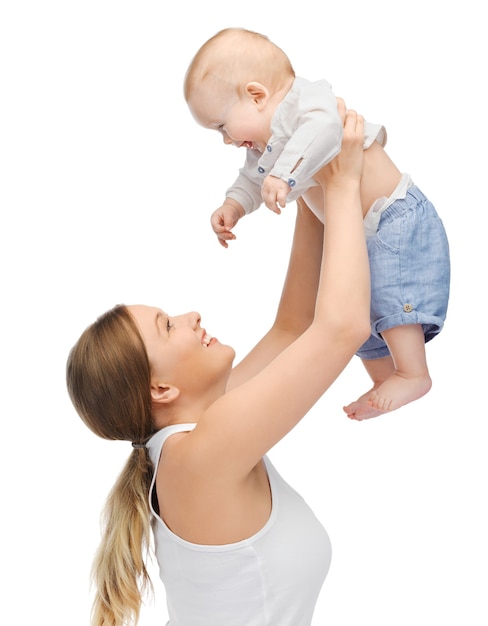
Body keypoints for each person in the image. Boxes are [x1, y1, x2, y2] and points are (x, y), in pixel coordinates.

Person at [66, 105, 370, 626]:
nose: (191, 316)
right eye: (167, 326)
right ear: (159, 389)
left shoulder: (203, 434)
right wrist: (343, 187)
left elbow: (294, 327)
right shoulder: (195, 458)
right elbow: (341, 329)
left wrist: (308, 175)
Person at [184, 27, 450, 420]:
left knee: (391, 298)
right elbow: (253, 177)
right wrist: (234, 205)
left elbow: (324, 132)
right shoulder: (264, 142)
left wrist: (285, 176)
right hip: (363, 232)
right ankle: (383, 378)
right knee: (362, 305)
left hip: (393, 217)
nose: (225, 140)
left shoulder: (304, 105)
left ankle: (413, 372)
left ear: (256, 95)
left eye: (222, 126)